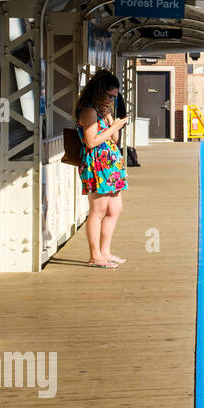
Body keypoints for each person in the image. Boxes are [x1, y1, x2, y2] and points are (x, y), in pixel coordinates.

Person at [75, 69, 130, 268]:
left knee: (115, 209)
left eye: (115, 97)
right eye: (110, 96)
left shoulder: (103, 112)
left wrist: (112, 122)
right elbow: (91, 142)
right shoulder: (88, 111)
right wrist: (113, 127)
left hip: (111, 165)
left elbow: (114, 139)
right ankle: (94, 255)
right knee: (97, 211)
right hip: (97, 165)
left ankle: (105, 251)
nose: (111, 100)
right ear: (99, 91)